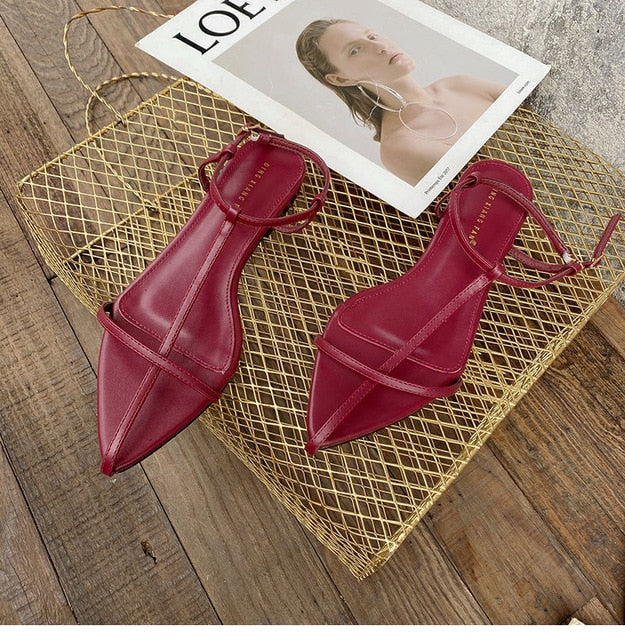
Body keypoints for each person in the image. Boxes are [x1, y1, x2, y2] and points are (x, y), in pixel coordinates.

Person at [296, 19, 506, 185]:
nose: (380, 46)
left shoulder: (459, 84)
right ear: (341, 79)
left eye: (372, 36)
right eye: (355, 50)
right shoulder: (400, 147)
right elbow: (496, 184)